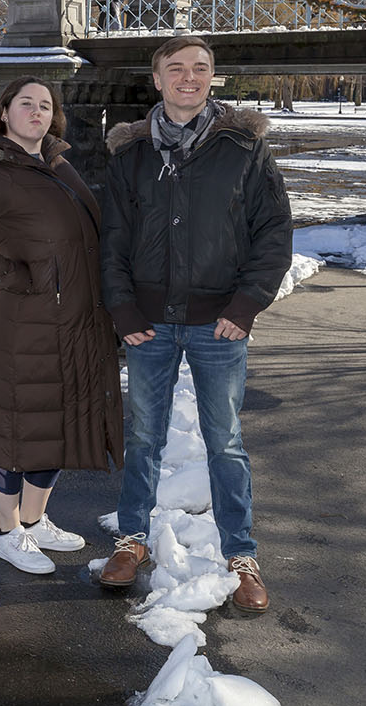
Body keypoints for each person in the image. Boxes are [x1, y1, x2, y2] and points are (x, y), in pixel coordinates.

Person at [96, 34, 293, 613]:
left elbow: (273, 233)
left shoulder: (244, 148)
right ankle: (131, 540)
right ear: (156, 80)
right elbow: (113, 241)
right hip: (148, 324)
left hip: (219, 324)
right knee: (143, 437)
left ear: (212, 78)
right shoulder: (130, 155)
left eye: (200, 68)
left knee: (225, 441)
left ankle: (241, 555)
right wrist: (123, 309)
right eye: (176, 68)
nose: (189, 77)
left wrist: (245, 305)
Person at [0, 77, 123, 575]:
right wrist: (14, 276)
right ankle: (7, 532)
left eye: (45, 105)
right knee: (14, 429)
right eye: (26, 103)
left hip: (75, 320)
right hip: (27, 324)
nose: (37, 111)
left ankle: (35, 522)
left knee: (52, 425)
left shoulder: (56, 164)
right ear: (4, 113)